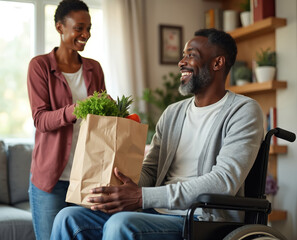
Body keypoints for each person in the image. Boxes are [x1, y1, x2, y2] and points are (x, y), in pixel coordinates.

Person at [50, 28, 264, 240]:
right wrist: (117, 185)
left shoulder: (243, 111)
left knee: (121, 224)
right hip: (155, 212)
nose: (182, 62)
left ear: (218, 63)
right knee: (68, 218)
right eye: (183, 55)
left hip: (202, 219)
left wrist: (142, 197)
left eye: (191, 55)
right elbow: (150, 171)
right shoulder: (173, 113)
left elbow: (223, 181)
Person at [26, 0, 106, 239]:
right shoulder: (39, 66)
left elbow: (100, 123)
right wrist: (74, 110)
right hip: (52, 180)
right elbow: (40, 119)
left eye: (89, 28)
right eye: (79, 28)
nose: (85, 34)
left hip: (87, 178)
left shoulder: (94, 68)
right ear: (60, 28)